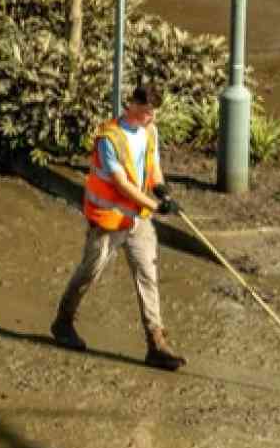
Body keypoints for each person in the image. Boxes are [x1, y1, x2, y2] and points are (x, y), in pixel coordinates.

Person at [49, 84, 186, 372]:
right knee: (89, 272)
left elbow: (153, 165)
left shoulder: (150, 131)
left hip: (137, 221)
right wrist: (154, 206)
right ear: (132, 105)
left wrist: (161, 189)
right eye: (147, 112)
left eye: (153, 113)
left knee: (148, 276)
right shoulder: (108, 139)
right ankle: (63, 322)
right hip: (109, 222)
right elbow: (121, 184)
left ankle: (156, 344)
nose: (151, 117)